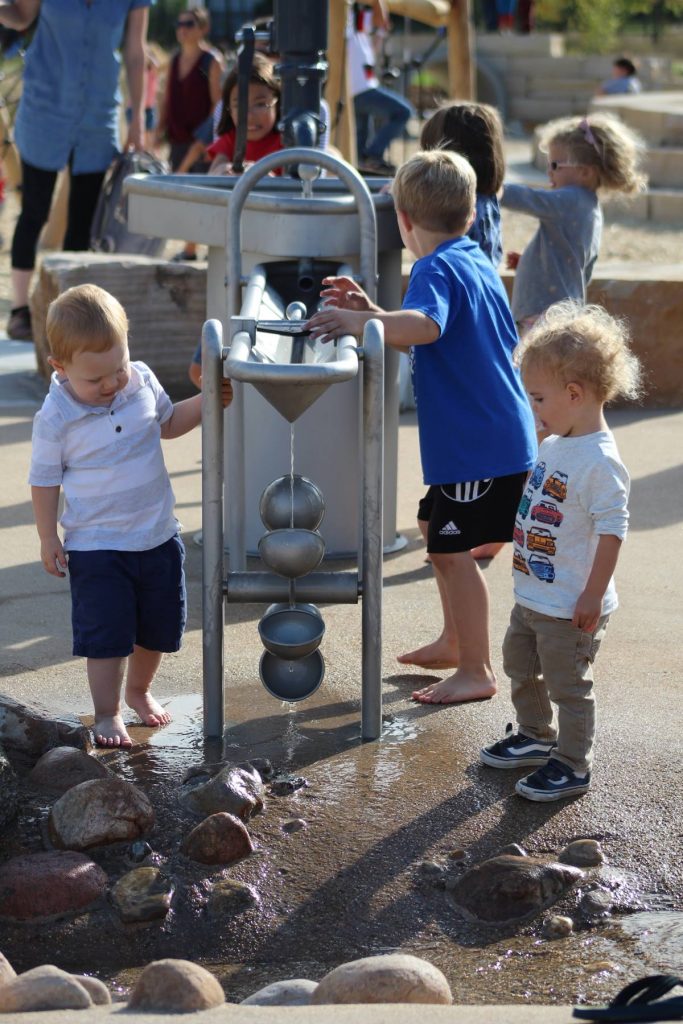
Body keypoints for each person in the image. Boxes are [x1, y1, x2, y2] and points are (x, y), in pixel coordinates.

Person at [308, 150, 537, 702]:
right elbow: (437, 323)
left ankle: (477, 669)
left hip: (478, 447)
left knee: (455, 553)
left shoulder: (434, 267)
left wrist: (358, 320)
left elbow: (428, 326)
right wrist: (373, 309)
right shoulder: (473, 257)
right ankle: (456, 642)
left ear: (405, 222)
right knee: (437, 536)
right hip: (489, 438)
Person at [28, 284, 232, 748]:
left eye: (116, 369)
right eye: (94, 379)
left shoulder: (139, 380)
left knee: (159, 628)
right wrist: (47, 536)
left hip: (157, 535)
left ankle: (139, 692)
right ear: (60, 368)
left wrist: (206, 403)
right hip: (96, 547)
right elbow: (44, 480)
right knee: (107, 636)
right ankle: (107, 712)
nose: (110, 385)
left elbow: (168, 425)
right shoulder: (57, 415)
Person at [480, 300, 642, 800]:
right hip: (534, 596)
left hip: (572, 604)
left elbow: (613, 531)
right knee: (519, 663)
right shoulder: (555, 442)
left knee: (568, 684)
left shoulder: (601, 462)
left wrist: (591, 596)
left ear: (574, 393)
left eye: (538, 398)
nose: (534, 409)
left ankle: (573, 764)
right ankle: (533, 735)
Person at [0, 0, 151, 342]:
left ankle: (72, 317)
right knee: (34, 211)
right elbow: (21, 16)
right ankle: (19, 311)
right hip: (44, 108)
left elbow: (135, 52)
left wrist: (137, 121)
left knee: (83, 221)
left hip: (97, 116)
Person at [420, 101, 508, 561]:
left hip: (463, 337)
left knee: (474, 471)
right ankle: (484, 529)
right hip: (480, 328)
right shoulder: (487, 203)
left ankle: (486, 530)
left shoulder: (446, 248)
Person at [502, 113, 646, 337]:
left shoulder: (571, 200)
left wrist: (494, 187)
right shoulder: (589, 208)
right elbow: (577, 265)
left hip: (543, 316)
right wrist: (532, 264)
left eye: (555, 165)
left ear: (585, 172)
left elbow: (531, 199)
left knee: (531, 369)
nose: (548, 171)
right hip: (562, 314)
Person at [156, 6, 223, 261]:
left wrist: (208, 140)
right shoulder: (174, 60)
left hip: (203, 139)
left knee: (203, 196)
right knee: (184, 196)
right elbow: (167, 99)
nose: (182, 29)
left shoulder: (211, 60)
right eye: (179, 24)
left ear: (203, 28)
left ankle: (204, 250)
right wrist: (157, 130)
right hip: (177, 137)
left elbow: (218, 105)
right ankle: (190, 249)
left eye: (189, 24)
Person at [177, 52, 282, 179]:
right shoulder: (231, 140)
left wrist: (265, 176)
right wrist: (225, 170)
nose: (248, 116)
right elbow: (214, 172)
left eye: (260, 104)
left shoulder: (287, 142)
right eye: (239, 106)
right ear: (229, 110)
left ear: (278, 103)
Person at [347, 0, 413, 175]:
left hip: (360, 88)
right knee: (403, 112)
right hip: (360, 88)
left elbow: (380, 25)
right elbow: (380, 18)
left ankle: (364, 162)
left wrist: (381, 32)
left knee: (360, 139)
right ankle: (373, 155)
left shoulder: (360, 34)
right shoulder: (349, 22)